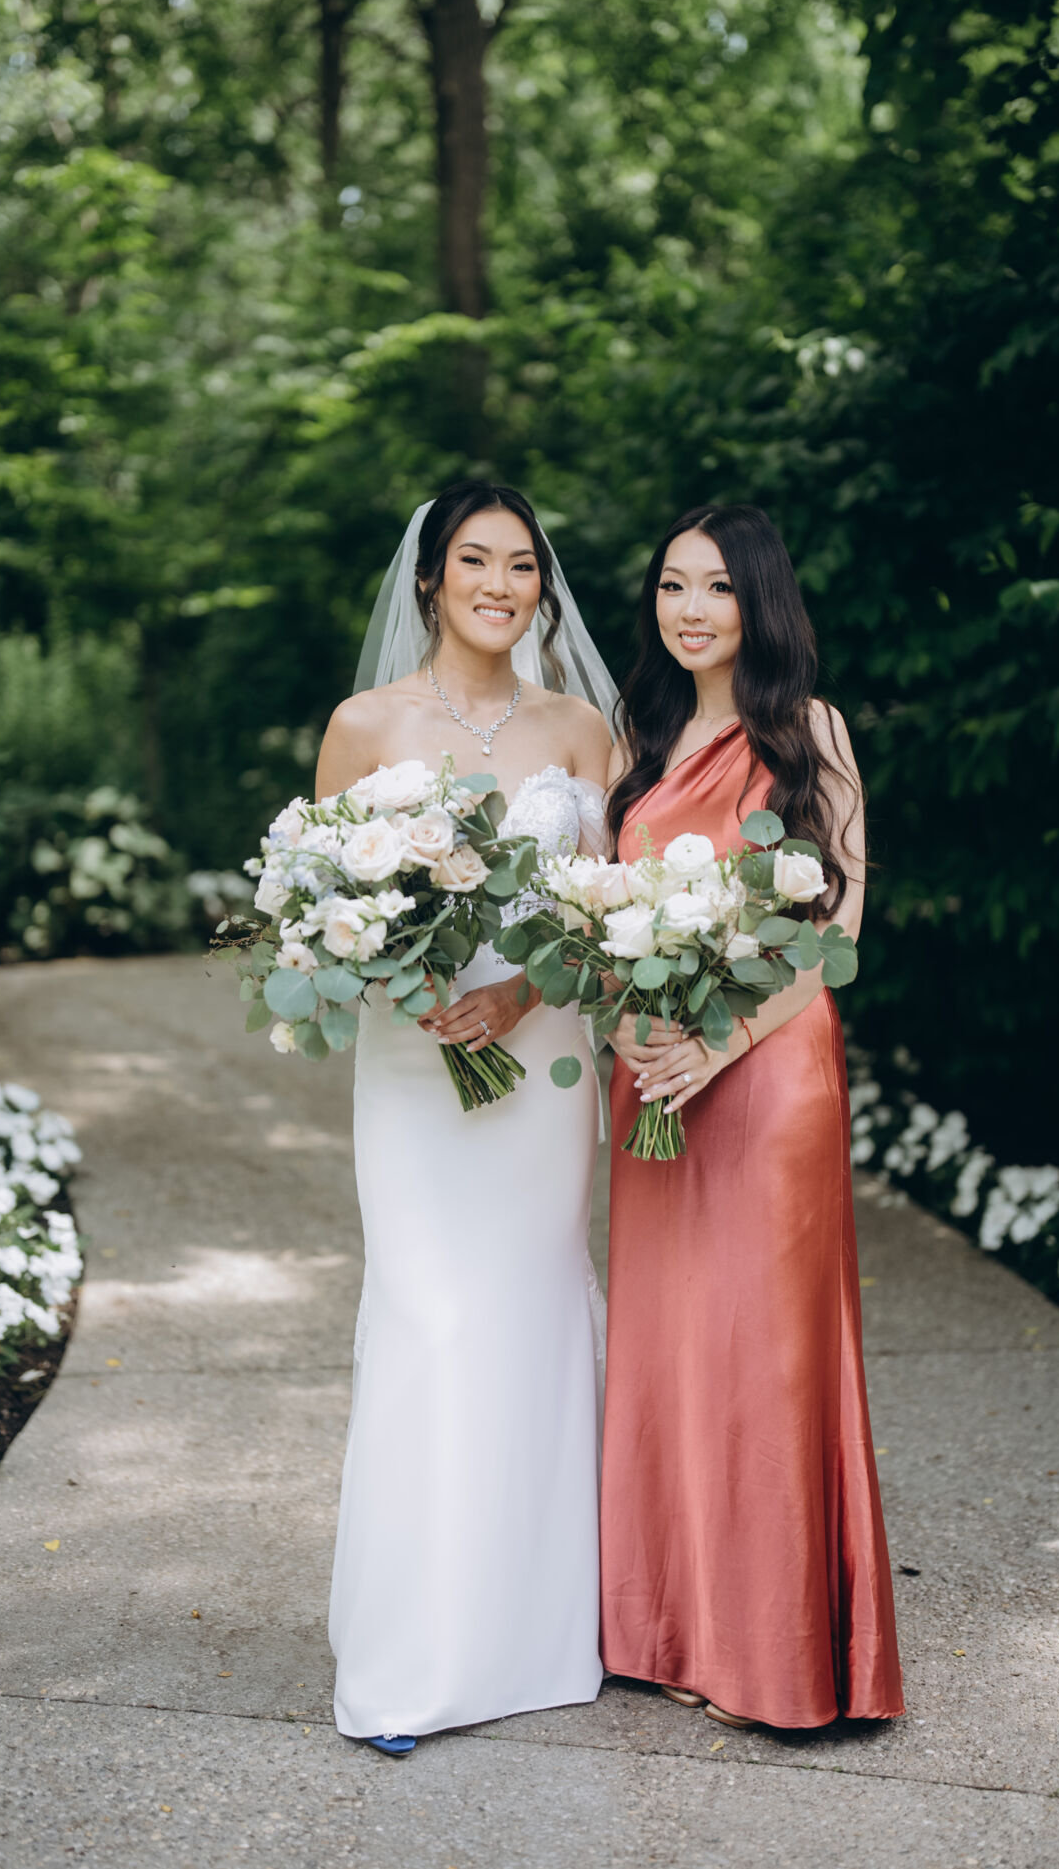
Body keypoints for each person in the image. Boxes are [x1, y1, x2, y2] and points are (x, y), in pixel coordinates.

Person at [318, 482, 617, 1753]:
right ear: (430, 579)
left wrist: (516, 993)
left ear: (540, 585)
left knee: (526, 1320)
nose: (500, 584)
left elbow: (604, 918)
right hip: (411, 1065)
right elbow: (321, 909)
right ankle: (410, 1659)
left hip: (537, 1063)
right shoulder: (363, 725)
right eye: (474, 561)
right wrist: (408, 978)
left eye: (521, 564)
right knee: (427, 1319)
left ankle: (534, 1641)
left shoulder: (580, 729)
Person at [600, 503, 904, 1730]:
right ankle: (669, 1627)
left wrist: (718, 1040)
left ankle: (774, 1656)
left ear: (758, 599)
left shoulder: (808, 729)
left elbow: (838, 922)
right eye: (672, 584)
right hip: (654, 1072)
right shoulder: (640, 732)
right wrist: (626, 1027)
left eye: (717, 586)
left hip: (768, 1067)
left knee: (763, 1345)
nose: (689, 609)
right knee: (671, 1342)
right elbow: (601, 914)